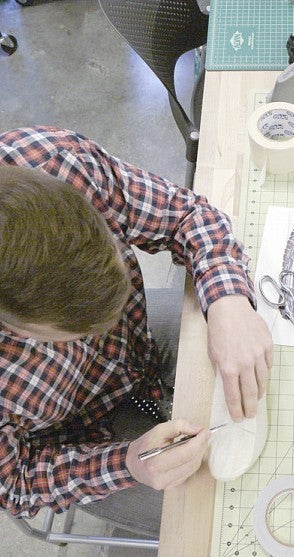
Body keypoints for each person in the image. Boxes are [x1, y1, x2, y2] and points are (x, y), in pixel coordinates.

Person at [0, 126, 273, 522]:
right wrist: (127, 463)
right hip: (84, 439)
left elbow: (188, 214)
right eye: (78, 334)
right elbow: (17, 481)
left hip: (138, 347)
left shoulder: (55, 162)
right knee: (222, 516)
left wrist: (228, 300)